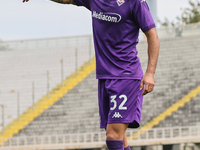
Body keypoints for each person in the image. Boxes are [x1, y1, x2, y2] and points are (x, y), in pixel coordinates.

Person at [23, 0, 160, 149]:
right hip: (104, 77)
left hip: (126, 76)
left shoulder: (136, 3)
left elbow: (153, 36)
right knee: (120, 139)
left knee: (113, 137)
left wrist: (150, 73)